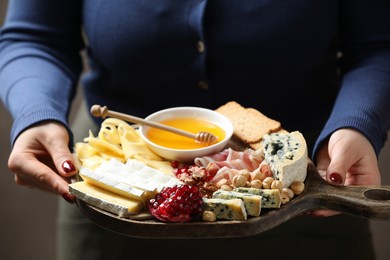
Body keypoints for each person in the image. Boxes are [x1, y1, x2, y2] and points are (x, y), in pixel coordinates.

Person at [1, 0, 389, 259]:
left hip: (305, 198)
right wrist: (38, 114)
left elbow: (378, 45)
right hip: (114, 209)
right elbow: (35, 36)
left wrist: (356, 125)